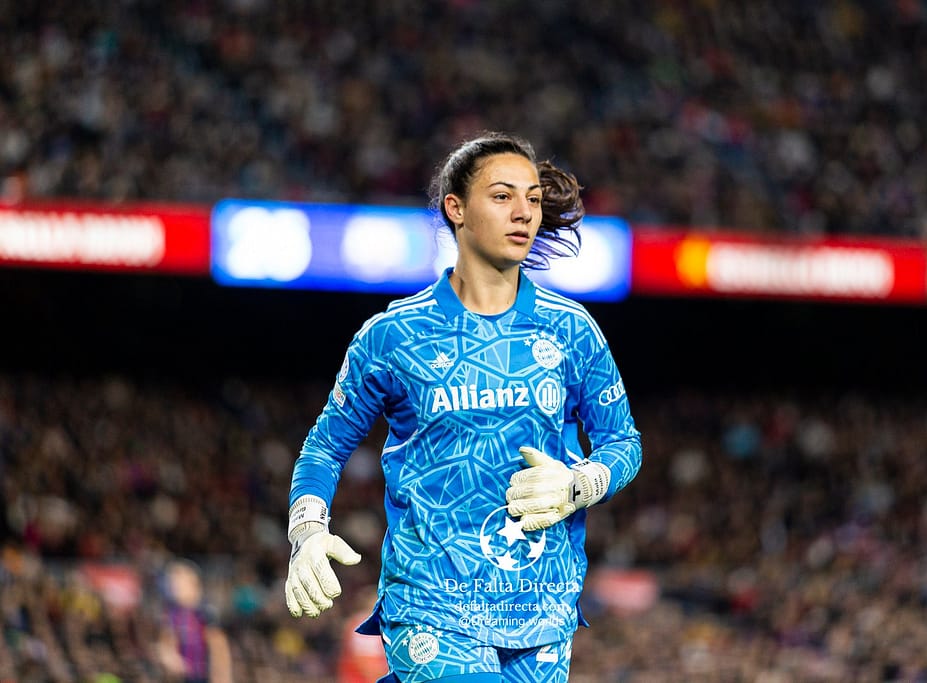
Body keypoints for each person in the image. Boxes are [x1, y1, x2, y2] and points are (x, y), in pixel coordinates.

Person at [284, 131, 642, 683]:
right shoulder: (394, 335)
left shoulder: (572, 330)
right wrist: (307, 530)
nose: (523, 212)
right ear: (456, 209)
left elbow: (623, 442)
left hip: (541, 607)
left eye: (532, 198)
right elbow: (324, 449)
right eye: (502, 196)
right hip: (431, 602)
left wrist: (580, 484)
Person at [155, 558, 233, 683]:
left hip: (204, 677)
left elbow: (219, 648)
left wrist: (222, 677)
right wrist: (168, 655)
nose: (174, 588)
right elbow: (167, 641)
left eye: (179, 584)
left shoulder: (204, 611)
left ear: (193, 584)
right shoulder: (172, 613)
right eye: (172, 583)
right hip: (183, 677)